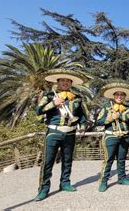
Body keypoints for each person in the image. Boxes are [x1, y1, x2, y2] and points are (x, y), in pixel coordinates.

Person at [34, 69, 88, 201]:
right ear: (58, 82)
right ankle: (43, 189)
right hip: (53, 131)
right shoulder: (49, 96)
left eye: (68, 81)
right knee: (48, 161)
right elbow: (38, 111)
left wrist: (82, 125)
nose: (65, 82)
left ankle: (65, 183)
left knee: (67, 160)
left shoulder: (77, 98)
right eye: (62, 80)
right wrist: (54, 103)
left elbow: (82, 116)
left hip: (70, 132)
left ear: (71, 83)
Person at [96, 81, 129, 192]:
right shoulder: (106, 108)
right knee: (108, 159)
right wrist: (109, 118)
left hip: (125, 137)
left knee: (121, 159)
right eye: (117, 95)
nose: (119, 97)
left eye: (122, 95)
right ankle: (104, 181)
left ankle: (122, 178)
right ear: (114, 96)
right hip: (110, 136)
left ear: (125, 97)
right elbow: (98, 122)